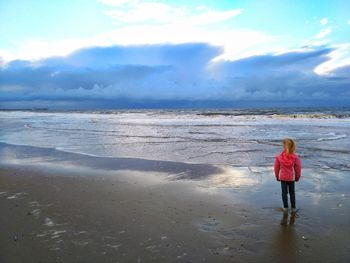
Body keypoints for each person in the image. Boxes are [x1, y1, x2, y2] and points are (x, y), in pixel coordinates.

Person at [274, 138, 301, 212]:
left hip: (282, 178)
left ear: (283, 146)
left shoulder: (279, 157)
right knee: (292, 193)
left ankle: (285, 207)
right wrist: (297, 177)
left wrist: (277, 176)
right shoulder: (295, 157)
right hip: (291, 178)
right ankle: (293, 208)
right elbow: (298, 168)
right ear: (293, 146)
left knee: (284, 193)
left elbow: (276, 168)